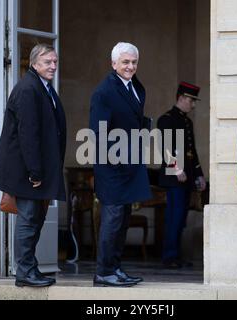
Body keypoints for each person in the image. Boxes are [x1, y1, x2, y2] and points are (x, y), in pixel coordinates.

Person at [0, 44, 66, 287]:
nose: (52, 65)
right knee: (29, 219)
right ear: (33, 63)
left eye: (54, 61)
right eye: (46, 61)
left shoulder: (43, 87)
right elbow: (28, 133)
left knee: (36, 219)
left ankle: (31, 268)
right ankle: (24, 273)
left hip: (35, 168)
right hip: (26, 170)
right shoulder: (28, 88)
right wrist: (35, 171)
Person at [89, 42, 152, 287]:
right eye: (125, 62)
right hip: (113, 167)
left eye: (134, 62)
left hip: (130, 165)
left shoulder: (134, 86)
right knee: (113, 219)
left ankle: (115, 268)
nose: (130, 66)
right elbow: (99, 133)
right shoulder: (104, 92)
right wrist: (116, 163)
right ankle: (103, 272)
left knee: (123, 219)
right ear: (113, 63)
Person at [157, 81, 206, 268]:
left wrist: (199, 174)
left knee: (181, 219)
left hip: (186, 177)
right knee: (174, 218)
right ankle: (169, 257)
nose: (193, 105)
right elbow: (165, 147)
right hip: (174, 177)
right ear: (181, 98)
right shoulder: (167, 119)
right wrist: (176, 167)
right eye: (191, 100)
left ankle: (175, 255)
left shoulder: (187, 121)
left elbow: (192, 152)